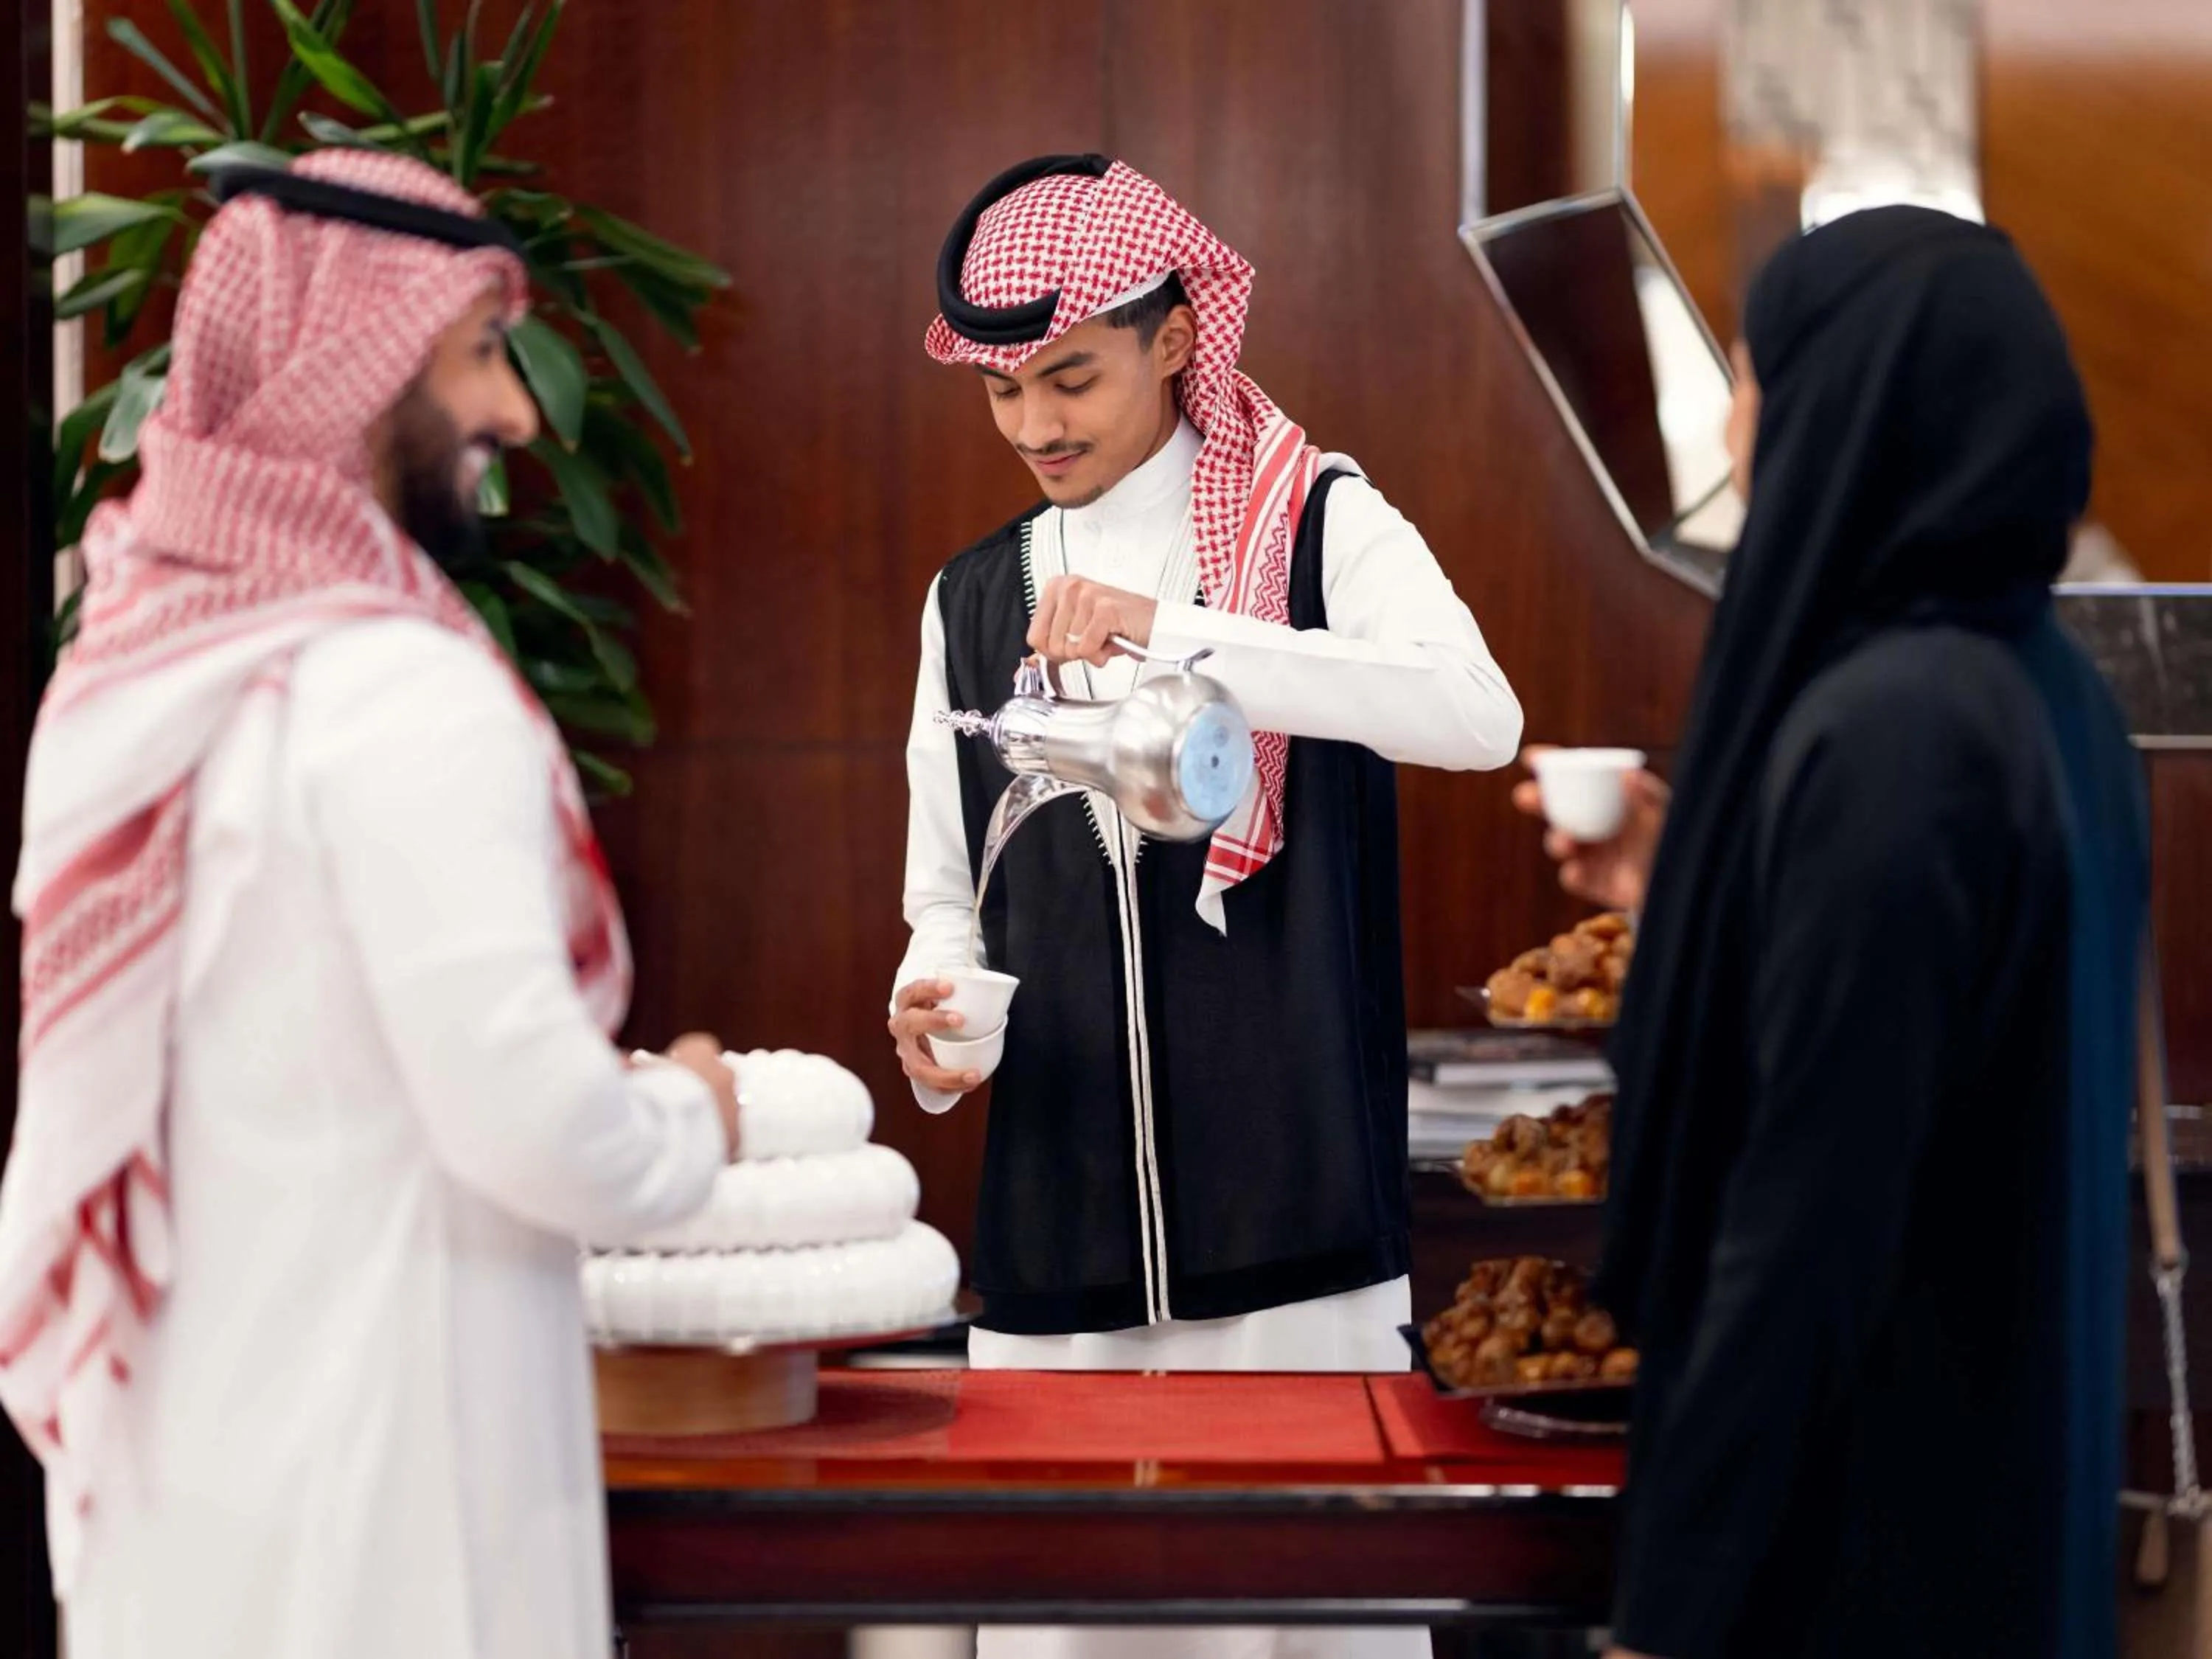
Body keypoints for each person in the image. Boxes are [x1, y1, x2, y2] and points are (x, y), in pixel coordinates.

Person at [0, 153, 739, 1659]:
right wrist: (689, 1120)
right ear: (359, 368)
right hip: (393, 1511)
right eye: (480, 356)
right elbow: (531, 1118)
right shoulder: (398, 691)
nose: (519, 418)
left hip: (185, 1495)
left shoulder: (129, 676)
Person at [891, 153, 1521, 1659]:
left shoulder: (1319, 527)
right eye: (1005, 393)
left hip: (1294, 1249)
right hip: (1058, 1266)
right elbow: (942, 898)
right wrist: (936, 1026)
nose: (1037, 426)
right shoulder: (971, 599)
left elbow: (1474, 715)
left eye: (1073, 380)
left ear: (1179, 337)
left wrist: (1176, 632)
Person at [1517, 207, 2149, 1659]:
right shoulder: (2047, 694)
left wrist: (1668, 1608)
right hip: (1993, 1510)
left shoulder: (1898, 731)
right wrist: (1689, 887)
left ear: (1842, 407)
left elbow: (1807, 1213)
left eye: (1751, 375)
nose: (1736, 426)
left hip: (1861, 1559)